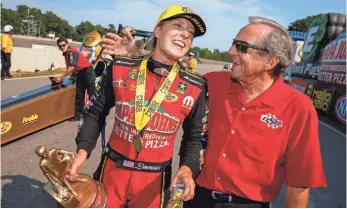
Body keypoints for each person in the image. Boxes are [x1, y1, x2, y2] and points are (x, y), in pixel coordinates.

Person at [65, 5, 209, 208]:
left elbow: (195, 136)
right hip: (112, 171)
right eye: (177, 26)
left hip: (154, 181)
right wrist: (83, 151)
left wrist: (187, 168)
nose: (185, 34)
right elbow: (95, 111)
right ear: (158, 30)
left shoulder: (195, 85)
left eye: (191, 34)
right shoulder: (121, 67)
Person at [184, 16, 327, 208]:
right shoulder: (212, 82)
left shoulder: (298, 107)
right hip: (196, 199)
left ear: (270, 61)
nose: (230, 51)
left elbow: (298, 183)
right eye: (233, 44)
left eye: (241, 47)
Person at [55, 37, 96, 120]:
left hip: (88, 72)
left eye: (63, 45)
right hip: (80, 72)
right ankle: (78, 115)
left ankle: (95, 115)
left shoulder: (72, 52)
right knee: (79, 94)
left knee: (91, 94)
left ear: (68, 44)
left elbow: (71, 68)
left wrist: (61, 77)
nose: (62, 47)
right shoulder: (66, 54)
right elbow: (71, 68)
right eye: (60, 46)